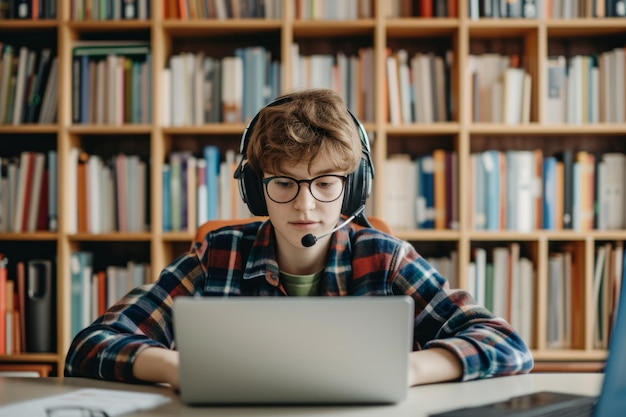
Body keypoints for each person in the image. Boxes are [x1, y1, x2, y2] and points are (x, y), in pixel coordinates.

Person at [64, 88, 534, 390]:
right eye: (283, 183)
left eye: (326, 183)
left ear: (353, 188)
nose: (305, 207)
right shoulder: (218, 256)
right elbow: (90, 345)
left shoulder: (385, 258)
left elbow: (506, 344)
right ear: (254, 189)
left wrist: (407, 370)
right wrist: (176, 368)